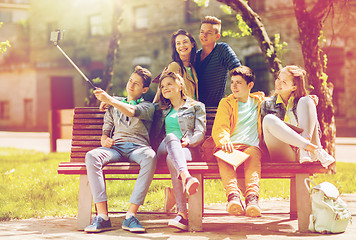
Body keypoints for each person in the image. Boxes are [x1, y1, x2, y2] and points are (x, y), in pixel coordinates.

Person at [84, 66, 156, 233]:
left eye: (136, 84)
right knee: (91, 156)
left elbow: (131, 111)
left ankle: (131, 216)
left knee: (150, 156)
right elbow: (107, 127)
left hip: (139, 148)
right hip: (116, 148)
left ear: (144, 89)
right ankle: (102, 217)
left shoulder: (148, 107)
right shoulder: (113, 104)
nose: (131, 85)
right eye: (130, 81)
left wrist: (110, 99)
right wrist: (104, 139)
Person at [152, 71, 206, 231]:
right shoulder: (159, 109)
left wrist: (189, 141)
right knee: (170, 137)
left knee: (172, 159)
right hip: (164, 147)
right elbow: (138, 106)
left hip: (187, 149)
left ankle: (182, 214)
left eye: (169, 84)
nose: (165, 88)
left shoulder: (196, 106)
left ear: (180, 85)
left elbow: (200, 132)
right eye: (162, 86)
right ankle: (187, 178)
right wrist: (112, 101)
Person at [212, 66, 265, 217]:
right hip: (230, 146)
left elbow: (282, 100)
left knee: (253, 158)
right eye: (232, 82)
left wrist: (307, 98)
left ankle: (252, 199)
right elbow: (220, 126)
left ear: (250, 85)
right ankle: (233, 197)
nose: (234, 86)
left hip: (251, 146)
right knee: (223, 157)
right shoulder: (226, 103)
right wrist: (224, 141)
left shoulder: (258, 102)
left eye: (239, 83)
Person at [260, 65, 335, 167]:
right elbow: (264, 135)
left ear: (294, 87)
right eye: (278, 79)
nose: (278, 83)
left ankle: (305, 150)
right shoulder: (266, 104)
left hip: (308, 155)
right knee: (268, 119)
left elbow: (316, 132)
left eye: (284, 82)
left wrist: (310, 104)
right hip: (284, 153)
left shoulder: (305, 102)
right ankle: (311, 148)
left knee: (306, 100)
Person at [195, 16, 242, 107]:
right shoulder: (195, 57)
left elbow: (238, 69)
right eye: (202, 32)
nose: (204, 36)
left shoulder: (222, 50)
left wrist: (235, 96)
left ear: (217, 36)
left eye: (209, 33)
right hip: (196, 111)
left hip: (216, 109)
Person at [153, 29, 199, 102]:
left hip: (193, 110)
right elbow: (167, 93)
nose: (182, 46)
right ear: (176, 47)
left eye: (185, 42)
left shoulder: (192, 68)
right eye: (178, 43)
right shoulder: (174, 66)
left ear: (192, 44)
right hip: (181, 111)